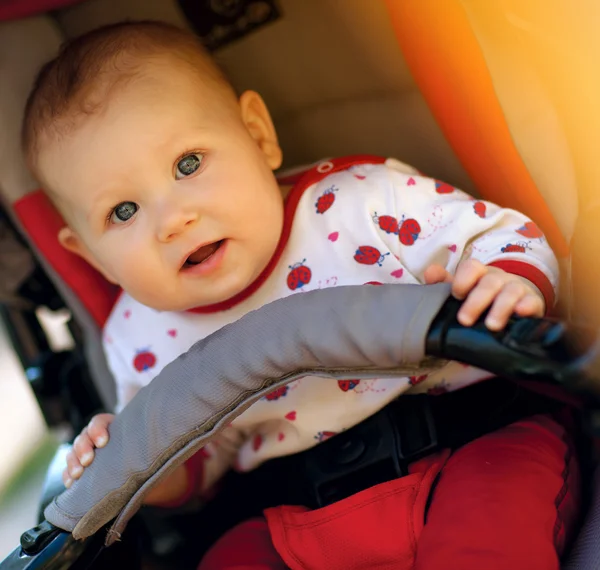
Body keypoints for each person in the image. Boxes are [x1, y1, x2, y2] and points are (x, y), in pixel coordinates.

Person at [21, 20, 579, 570]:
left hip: (474, 439)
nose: (173, 220)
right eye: (123, 211)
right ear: (91, 255)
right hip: (295, 513)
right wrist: (130, 457)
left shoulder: (364, 204)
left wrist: (505, 282)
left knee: (486, 546)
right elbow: (200, 465)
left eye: (187, 165)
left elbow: (502, 236)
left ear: (258, 135)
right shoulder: (135, 335)